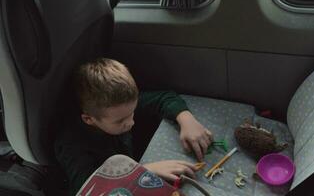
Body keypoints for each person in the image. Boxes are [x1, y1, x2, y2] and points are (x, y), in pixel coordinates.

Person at [54, 58, 213, 195]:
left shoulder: (119, 108)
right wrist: (142, 172)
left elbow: (164, 98)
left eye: (133, 113)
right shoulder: (72, 147)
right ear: (89, 119)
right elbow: (88, 189)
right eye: (121, 121)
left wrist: (187, 120)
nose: (131, 122)